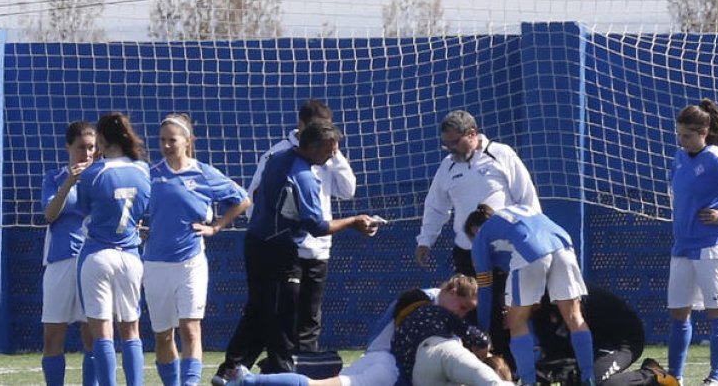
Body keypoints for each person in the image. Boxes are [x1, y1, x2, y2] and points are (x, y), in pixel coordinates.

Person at [219, 119, 382, 378]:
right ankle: (280, 373)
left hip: (256, 243)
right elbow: (317, 226)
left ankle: (230, 370)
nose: (331, 156)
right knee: (282, 317)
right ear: (313, 147)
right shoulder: (304, 177)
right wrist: (354, 221)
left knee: (258, 310)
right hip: (278, 251)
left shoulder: (277, 158)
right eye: (329, 150)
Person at [414, 110, 539, 360]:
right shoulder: (447, 166)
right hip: (467, 255)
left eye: (454, 142)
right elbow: (436, 206)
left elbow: (527, 199)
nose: (450, 149)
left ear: (472, 134)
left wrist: (532, 240)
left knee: (505, 311)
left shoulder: (502, 154)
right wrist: (425, 240)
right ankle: (475, 365)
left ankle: (509, 366)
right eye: (446, 144)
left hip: (503, 255)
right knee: (468, 311)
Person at [214, 279, 503, 386]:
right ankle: (250, 380)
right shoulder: (423, 303)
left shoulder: (428, 304)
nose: (461, 314)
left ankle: (249, 380)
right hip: (390, 366)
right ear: (450, 290)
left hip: (379, 359)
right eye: (462, 307)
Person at [145, 113, 251, 386]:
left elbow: (242, 200)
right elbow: (136, 209)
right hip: (155, 264)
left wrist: (217, 226)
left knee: (191, 329)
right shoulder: (151, 174)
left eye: (172, 140)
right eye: (162, 140)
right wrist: (140, 228)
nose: (166, 145)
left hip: (190, 263)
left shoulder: (204, 173)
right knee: (163, 335)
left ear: (187, 141)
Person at [244, 100, 357, 357]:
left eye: (328, 130)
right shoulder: (278, 156)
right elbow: (253, 203)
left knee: (310, 319)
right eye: (318, 129)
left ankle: (305, 370)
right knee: (281, 316)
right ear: (301, 125)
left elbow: (348, 190)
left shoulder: (329, 155)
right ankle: (274, 367)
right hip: (287, 250)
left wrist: (335, 155)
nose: (324, 136)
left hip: (319, 249)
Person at [666, 101, 718, 386]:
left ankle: (715, 378)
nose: (682, 141)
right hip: (682, 247)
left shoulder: (715, 157)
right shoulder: (679, 157)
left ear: (704, 132)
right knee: (679, 312)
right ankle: (675, 377)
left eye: (688, 135)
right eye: (679, 135)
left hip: (712, 247)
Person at [465, 204, 595, 386]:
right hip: (563, 244)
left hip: (529, 251)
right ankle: (589, 378)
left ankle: (528, 382)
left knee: (516, 322)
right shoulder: (515, 213)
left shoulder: (480, 238)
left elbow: (485, 289)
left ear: (473, 231)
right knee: (574, 317)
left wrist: (482, 329)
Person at [77, 112, 152, 386]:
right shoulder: (144, 170)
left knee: (103, 334)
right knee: (131, 331)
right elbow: (144, 210)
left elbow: (83, 210)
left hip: (98, 255)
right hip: (130, 256)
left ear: (101, 138)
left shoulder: (93, 173)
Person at [40, 120, 99, 386]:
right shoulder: (54, 178)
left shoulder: (102, 178)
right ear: (68, 147)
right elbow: (50, 214)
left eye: (91, 147)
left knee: (93, 335)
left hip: (93, 261)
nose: (86, 153)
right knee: (53, 335)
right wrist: (69, 183)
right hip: (60, 261)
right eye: (81, 147)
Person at [532, 287, 678, 386]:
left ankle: (653, 375)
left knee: (593, 381)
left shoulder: (564, 296)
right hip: (595, 342)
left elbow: (575, 337)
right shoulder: (537, 308)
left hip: (622, 340)